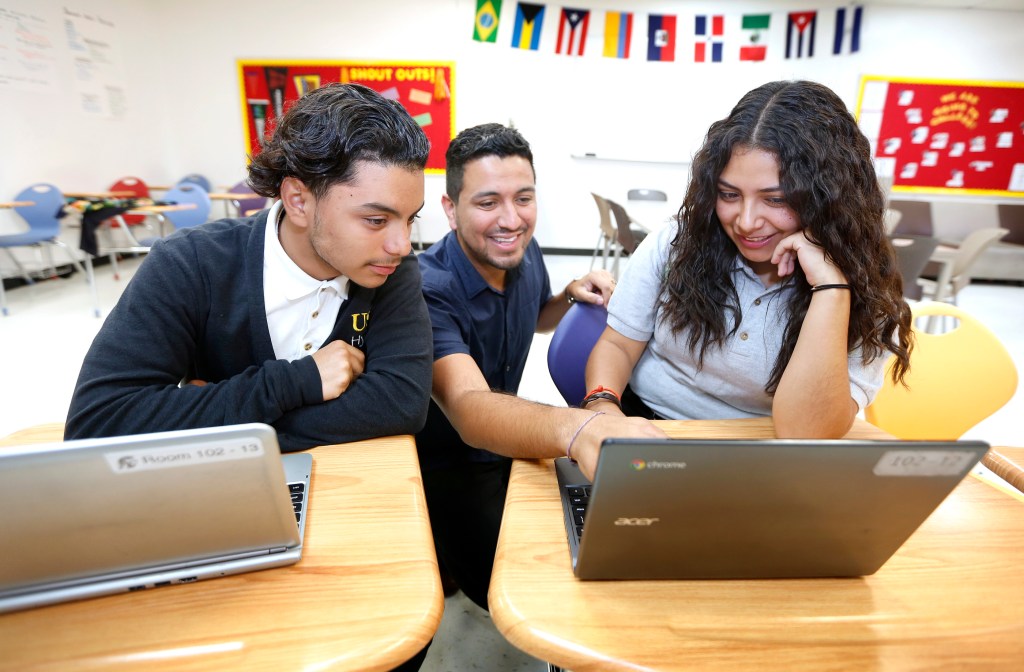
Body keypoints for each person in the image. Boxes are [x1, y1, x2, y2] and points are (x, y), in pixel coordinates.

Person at [64, 83, 434, 452]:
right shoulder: (189, 262)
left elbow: (400, 403)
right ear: (298, 200)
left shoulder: (392, 270)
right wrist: (297, 382)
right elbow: (98, 424)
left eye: (409, 219)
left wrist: (216, 420)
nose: (401, 245)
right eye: (375, 220)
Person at [417, 123, 665, 611]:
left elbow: (532, 317)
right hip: (451, 464)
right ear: (451, 210)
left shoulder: (521, 255)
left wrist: (566, 296)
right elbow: (467, 408)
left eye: (523, 198)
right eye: (488, 203)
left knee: (589, 537)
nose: (511, 219)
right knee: (522, 591)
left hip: (510, 446)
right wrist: (581, 426)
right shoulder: (427, 290)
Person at [584, 80, 914, 437]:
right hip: (647, 423)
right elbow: (618, 343)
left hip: (765, 444)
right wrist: (603, 405)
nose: (745, 222)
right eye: (728, 194)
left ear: (828, 199)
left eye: (775, 199)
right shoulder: (677, 242)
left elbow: (807, 434)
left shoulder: (864, 287)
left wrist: (831, 288)